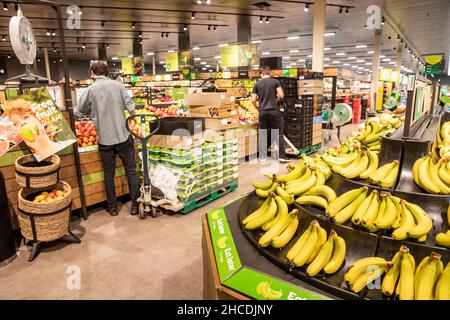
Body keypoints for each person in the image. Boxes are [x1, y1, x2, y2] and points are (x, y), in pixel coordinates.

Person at [75, 62, 140, 216]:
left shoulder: (90, 90)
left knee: (108, 173)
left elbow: (79, 112)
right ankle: (135, 204)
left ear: (92, 73)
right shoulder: (118, 86)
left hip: (104, 139)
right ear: (107, 72)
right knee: (131, 171)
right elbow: (131, 108)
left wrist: (95, 112)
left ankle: (112, 208)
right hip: (123, 135)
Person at [251, 65, 289, 163]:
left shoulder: (257, 84)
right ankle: (281, 156)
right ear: (269, 73)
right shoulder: (275, 81)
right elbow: (281, 95)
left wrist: (258, 107)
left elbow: (253, 100)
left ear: (261, 74)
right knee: (278, 133)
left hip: (263, 112)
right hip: (273, 110)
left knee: (263, 132)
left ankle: (263, 156)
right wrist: (275, 99)